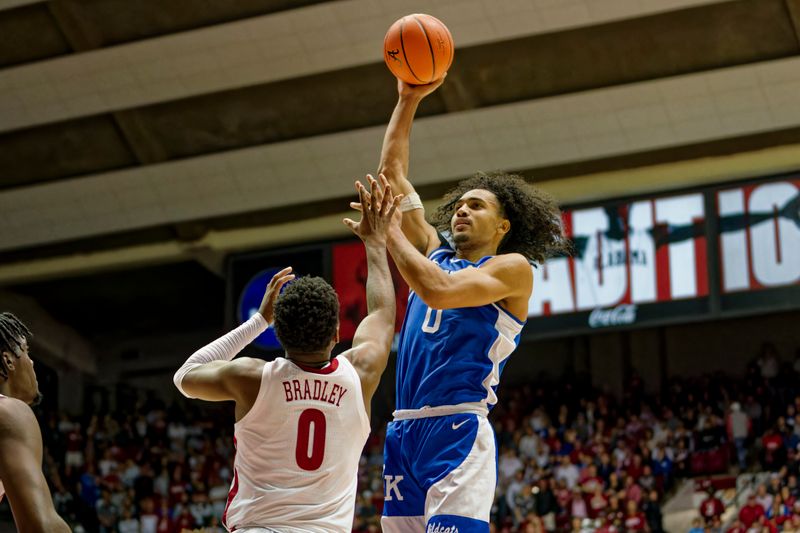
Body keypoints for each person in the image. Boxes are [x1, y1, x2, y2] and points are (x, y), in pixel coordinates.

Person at [372, 77, 570, 531]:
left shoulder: (512, 268)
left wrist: (390, 234)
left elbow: (437, 290)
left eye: (476, 206)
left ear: (502, 226)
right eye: (459, 204)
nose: (461, 210)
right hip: (403, 432)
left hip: (458, 429)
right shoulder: (432, 250)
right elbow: (391, 177)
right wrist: (408, 98)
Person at [172, 177, 401, 532]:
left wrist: (258, 321)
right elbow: (383, 313)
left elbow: (185, 375)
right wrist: (375, 242)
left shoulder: (251, 377)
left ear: (279, 334)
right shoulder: (361, 372)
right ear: (339, 334)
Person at [0, 312, 72, 533]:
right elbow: (42, 527)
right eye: (26, 352)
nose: (31, 362)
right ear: (8, 360)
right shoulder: (8, 412)